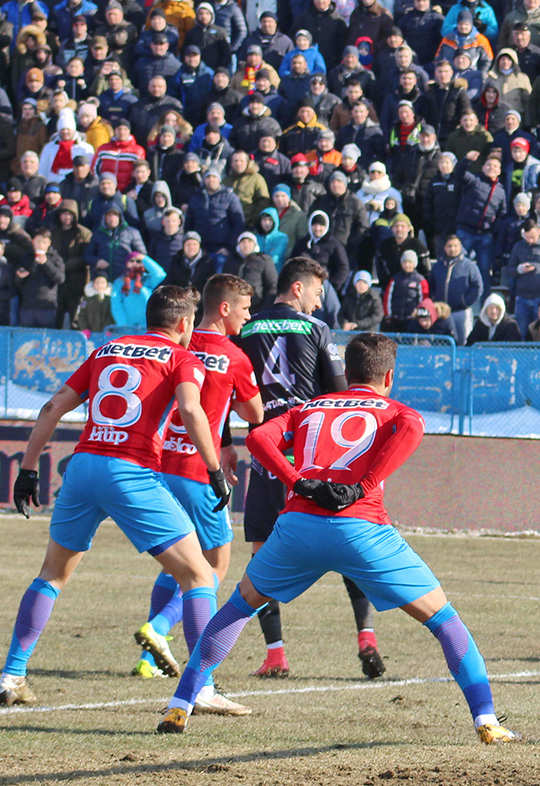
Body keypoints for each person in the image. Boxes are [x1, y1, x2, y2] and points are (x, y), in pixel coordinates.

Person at [158, 333, 518, 744]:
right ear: (390, 375)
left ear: (346, 373)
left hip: (298, 528)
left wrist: (296, 481)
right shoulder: (394, 409)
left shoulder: (307, 408)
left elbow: (258, 438)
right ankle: (486, 720)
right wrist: (361, 486)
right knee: (445, 621)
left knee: (239, 607)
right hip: (362, 530)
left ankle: (180, 704)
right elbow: (413, 425)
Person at [3, 285, 228, 707]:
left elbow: (52, 408)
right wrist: (215, 468)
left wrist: (29, 469)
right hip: (130, 470)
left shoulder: (109, 349)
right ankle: (203, 688)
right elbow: (193, 411)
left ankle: (12, 674)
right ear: (184, 324)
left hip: (83, 466)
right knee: (201, 575)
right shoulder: (183, 357)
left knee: (52, 574)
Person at [235, 257, 380, 680]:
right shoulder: (316, 330)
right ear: (297, 289)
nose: (319, 304)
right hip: (312, 456)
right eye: (318, 293)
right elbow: (341, 393)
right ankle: (366, 638)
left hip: (266, 459)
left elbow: (237, 394)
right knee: (345, 543)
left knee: (262, 554)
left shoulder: (248, 329)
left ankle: (275, 654)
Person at [130, 277, 265, 715]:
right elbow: (255, 414)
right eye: (245, 308)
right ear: (224, 309)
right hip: (198, 470)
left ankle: (150, 660)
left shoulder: (177, 349)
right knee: (215, 567)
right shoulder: (234, 356)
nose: (248, 316)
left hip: (161, 465)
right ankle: (161, 628)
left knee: (178, 562)